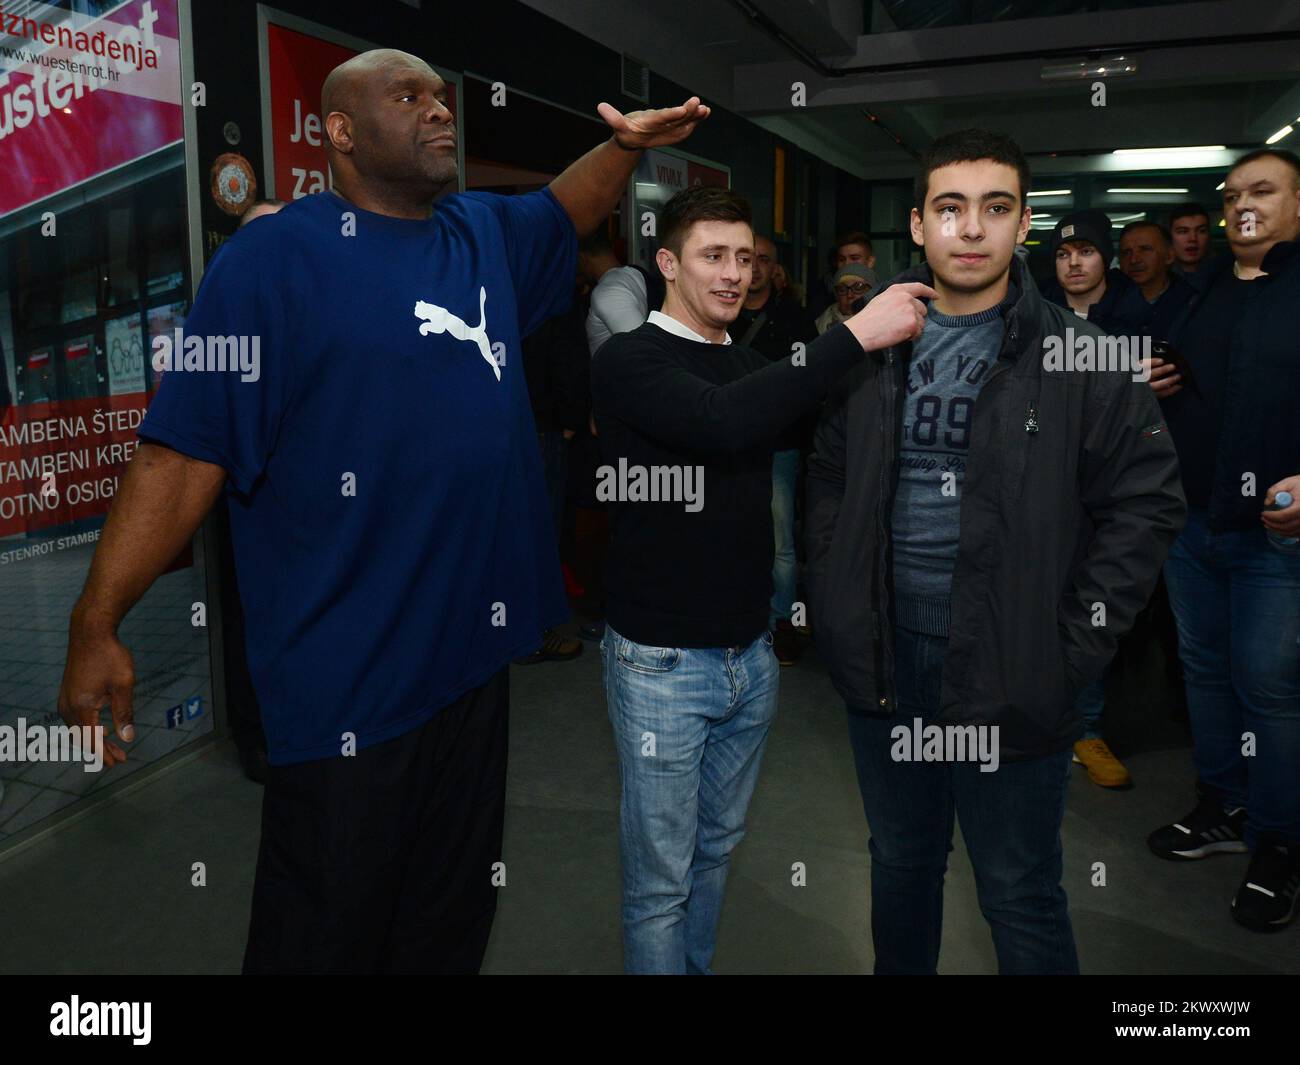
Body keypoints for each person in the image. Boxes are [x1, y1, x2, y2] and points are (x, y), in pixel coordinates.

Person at [56, 47, 711, 974]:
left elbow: (568, 205)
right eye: (409, 98)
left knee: (447, 924)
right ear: (339, 134)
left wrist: (628, 148)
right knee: (327, 934)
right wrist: (97, 617)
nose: (440, 112)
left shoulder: (479, 231)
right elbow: (180, 451)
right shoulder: (269, 262)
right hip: (350, 683)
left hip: (474, 665)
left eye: (443, 97)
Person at [806, 128, 1186, 975]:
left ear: (1023, 227)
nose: (971, 228)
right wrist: (834, 597)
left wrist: (1070, 647)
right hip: (886, 654)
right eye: (950, 208)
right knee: (901, 865)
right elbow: (827, 475)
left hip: (1015, 660)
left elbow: (1147, 502)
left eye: (995, 208)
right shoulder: (873, 344)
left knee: (1018, 887)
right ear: (918, 224)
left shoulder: (1083, 357)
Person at [592, 185, 933, 973]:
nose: (733, 275)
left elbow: (799, 419)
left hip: (749, 657)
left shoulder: (748, 362)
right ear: (668, 262)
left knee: (715, 852)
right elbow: (720, 420)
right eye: (713, 256)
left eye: (746, 258)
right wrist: (851, 334)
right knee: (660, 880)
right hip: (661, 663)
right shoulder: (629, 358)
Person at [1145, 147, 1300, 931]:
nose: (1243, 203)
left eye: (1263, 190)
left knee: (1269, 688)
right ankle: (1225, 806)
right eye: (1234, 192)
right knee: (1205, 674)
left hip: (1277, 538)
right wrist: (1160, 377)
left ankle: (1280, 841)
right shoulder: (1198, 294)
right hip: (1193, 521)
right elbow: (1185, 380)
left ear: (1299, 205)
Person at [728, 234, 819, 665]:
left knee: (780, 540)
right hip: (726, 444)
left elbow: (806, 386)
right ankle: (737, 618)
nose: (756, 267)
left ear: (775, 268)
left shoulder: (795, 319)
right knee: (731, 534)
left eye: (764, 260)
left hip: (778, 445)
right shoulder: (720, 313)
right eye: (748, 259)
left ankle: (780, 623)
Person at [1117, 221, 1195, 338]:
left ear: (1169, 256)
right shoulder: (1109, 302)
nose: (1134, 259)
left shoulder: (1192, 303)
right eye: (1126, 252)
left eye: (1145, 249)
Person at [815, 262, 874, 335]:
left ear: (872, 292)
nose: (849, 295)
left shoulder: (883, 322)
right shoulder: (820, 325)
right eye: (842, 289)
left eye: (858, 287)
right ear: (836, 295)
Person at [1169, 203, 1213, 281]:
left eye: (1201, 231)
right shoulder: (1157, 279)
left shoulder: (1226, 276)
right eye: (1183, 232)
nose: (1193, 238)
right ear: (1170, 236)